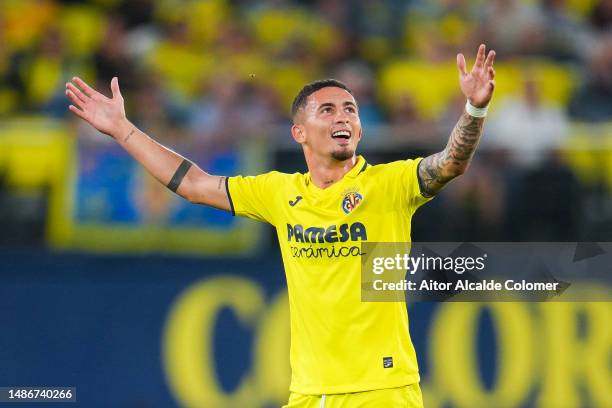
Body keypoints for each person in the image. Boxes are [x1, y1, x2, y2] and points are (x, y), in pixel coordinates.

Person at [66, 44, 496, 408]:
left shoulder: (390, 184)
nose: (342, 116)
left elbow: (450, 163)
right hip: (309, 393)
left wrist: (474, 108)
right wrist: (123, 130)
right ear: (299, 133)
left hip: (382, 390)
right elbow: (194, 184)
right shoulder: (279, 193)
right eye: (326, 110)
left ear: (361, 128)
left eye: (350, 109)